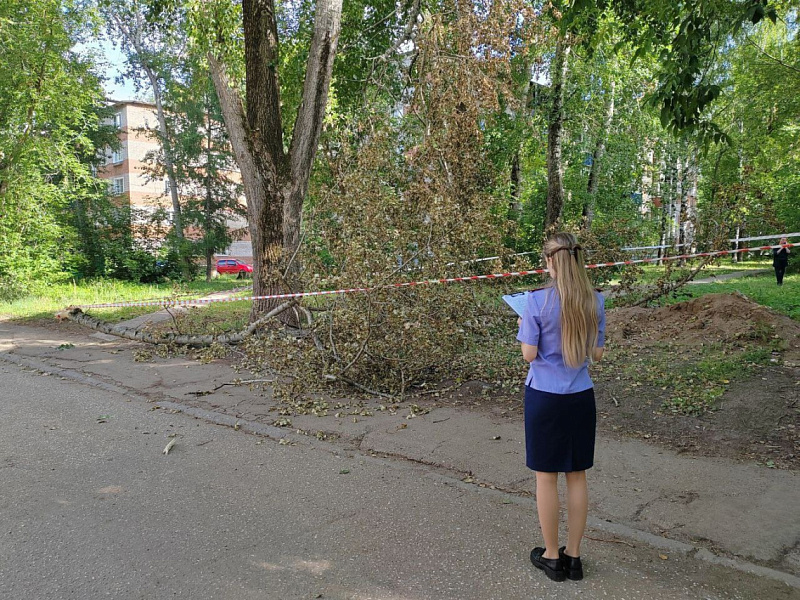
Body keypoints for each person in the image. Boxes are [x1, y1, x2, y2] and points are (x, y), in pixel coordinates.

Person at [516, 232, 605, 583]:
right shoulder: (594, 301)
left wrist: (524, 326)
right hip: (580, 396)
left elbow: (529, 354)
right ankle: (575, 557)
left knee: (546, 477)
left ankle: (552, 557)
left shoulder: (534, 303)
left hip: (545, 399)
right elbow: (597, 355)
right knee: (577, 476)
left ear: (551, 262)